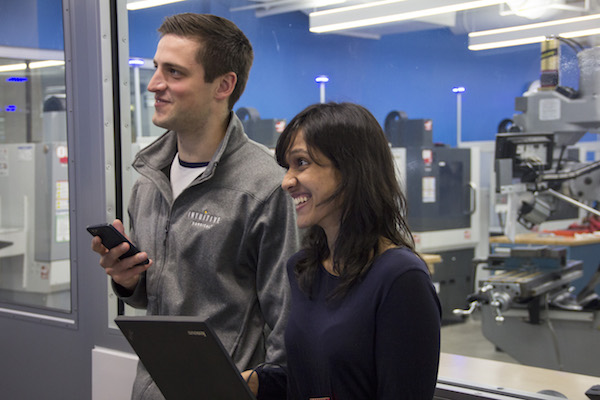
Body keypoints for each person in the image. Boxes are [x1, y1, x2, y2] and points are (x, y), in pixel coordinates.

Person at [91, 13, 298, 400]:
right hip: (151, 390)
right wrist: (126, 278)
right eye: (157, 69)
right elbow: (151, 296)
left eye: (174, 73)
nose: (154, 84)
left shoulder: (266, 188)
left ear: (224, 85)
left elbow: (287, 329)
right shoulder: (150, 181)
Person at [274, 102, 441, 399]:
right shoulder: (302, 268)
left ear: (351, 170)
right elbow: (313, 380)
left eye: (301, 163)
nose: (287, 181)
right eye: (287, 166)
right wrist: (261, 383)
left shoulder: (400, 279)